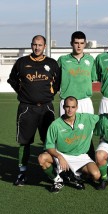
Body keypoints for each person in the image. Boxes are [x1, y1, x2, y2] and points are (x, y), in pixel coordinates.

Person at [7, 35, 61, 186]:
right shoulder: (22, 63)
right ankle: (22, 173)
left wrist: (50, 94)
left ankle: (55, 170)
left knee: (49, 141)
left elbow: (57, 83)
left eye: (40, 45)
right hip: (26, 108)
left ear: (45, 46)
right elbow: (12, 80)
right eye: (34, 44)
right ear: (31, 45)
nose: (37, 47)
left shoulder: (52, 63)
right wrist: (22, 92)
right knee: (24, 142)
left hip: (47, 108)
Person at [38, 96, 100, 193]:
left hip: (80, 156)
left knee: (96, 175)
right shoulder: (55, 125)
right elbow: (49, 146)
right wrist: (59, 156)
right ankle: (57, 180)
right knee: (42, 159)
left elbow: (104, 117)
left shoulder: (86, 118)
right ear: (63, 107)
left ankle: (76, 176)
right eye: (67, 107)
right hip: (62, 154)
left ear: (77, 107)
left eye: (73, 107)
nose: (70, 110)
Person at [57, 31, 97, 115]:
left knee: (88, 128)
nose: (79, 46)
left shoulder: (90, 59)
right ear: (71, 43)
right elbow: (55, 78)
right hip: (67, 102)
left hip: (85, 101)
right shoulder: (62, 60)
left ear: (85, 44)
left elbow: (93, 78)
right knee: (66, 128)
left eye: (82, 43)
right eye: (76, 43)